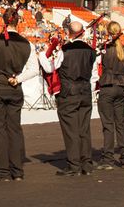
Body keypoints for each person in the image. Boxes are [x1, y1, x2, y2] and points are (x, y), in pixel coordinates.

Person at [0, 8, 39, 181]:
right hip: (15, 88)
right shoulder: (28, 44)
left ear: (4, 21)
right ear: (17, 21)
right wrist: (18, 79)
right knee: (15, 129)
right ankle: (17, 171)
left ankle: (3, 170)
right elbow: (34, 70)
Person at [40, 21, 97, 176]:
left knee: (71, 129)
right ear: (83, 33)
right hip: (85, 90)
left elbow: (51, 68)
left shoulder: (64, 50)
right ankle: (87, 163)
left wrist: (42, 55)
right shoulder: (91, 51)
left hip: (69, 92)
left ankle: (74, 165)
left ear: (68, 33)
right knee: (84, 128)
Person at [94, 22, 124, 170]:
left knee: (108, 125)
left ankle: (108, 159)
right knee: (120, 123)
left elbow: (95, 66)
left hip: (107, 88)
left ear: (109, 33)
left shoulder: (105, 49)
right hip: (120, 88)